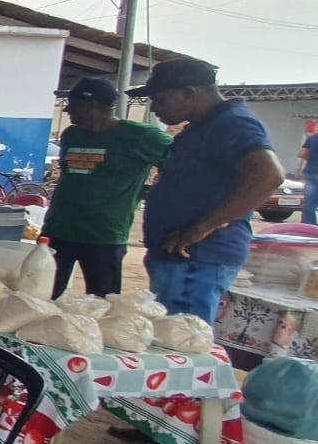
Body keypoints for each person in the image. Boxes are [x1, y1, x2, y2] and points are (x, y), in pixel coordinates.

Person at [133, 59, 284, 321]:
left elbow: (269, 175)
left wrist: (202, 227)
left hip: (198, 259)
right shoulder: (202, 127)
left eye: (159, 99)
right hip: (180, 259)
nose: (154, 108)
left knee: (182, 343)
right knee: (169, 340)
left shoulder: (233, 123)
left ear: (190, 92)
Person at [42, 77, 172, 298]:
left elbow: (182, 166)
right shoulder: (71, 135)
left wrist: (149, 192)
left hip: (104, 235)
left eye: (71, 105)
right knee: (43, 294)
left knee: (103, 301)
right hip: (58, 229)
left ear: (89, 106)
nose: (67, 111)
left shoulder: (141, 136)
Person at [301, 129, 318, 227]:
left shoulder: (312, 138)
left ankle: (307, 226)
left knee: (309, 202)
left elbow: (302, 153)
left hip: (310, 172)